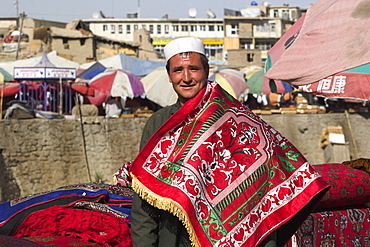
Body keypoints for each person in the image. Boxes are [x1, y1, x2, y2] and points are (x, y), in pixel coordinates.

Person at [116, 37, 329, 247]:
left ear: (207, 71)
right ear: (169, 76)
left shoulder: (235, 119)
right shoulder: (159, 124)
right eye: (178, 70)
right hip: (172, 238)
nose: (186, 77)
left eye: (194, 69)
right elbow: (145, 200)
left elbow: (261, 186)